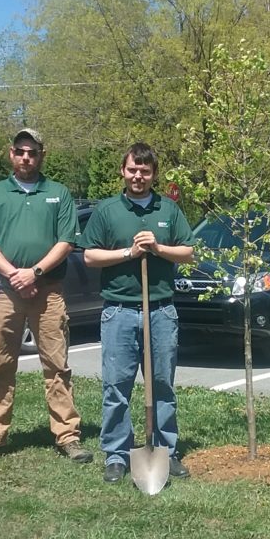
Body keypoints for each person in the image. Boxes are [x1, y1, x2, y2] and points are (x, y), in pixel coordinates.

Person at [0, 128, 91, 464]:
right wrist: (15, 275)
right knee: (0, 366)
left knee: (57, 366)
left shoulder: (58, 194)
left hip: (49, 293)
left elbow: (66, 242)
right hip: (4, 293)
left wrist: (35, 273)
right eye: (20, 151)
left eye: (32, 152)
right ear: (11, 154)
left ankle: (68, 436)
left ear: (42, 155)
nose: (26, 157)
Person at [81, 142, 194, 484]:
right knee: (117, 386)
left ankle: (166, 450)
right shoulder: (107, 210)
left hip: (160, 311)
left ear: (153, 174)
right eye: (132, 169)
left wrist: (157, 248)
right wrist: (130, 252)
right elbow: (89, 256)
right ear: (123, 171)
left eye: (145, 171)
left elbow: (188, 252)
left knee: (162, 384)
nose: (138, 176)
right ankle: (117, 455)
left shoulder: (169, 210)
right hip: (119, 311)